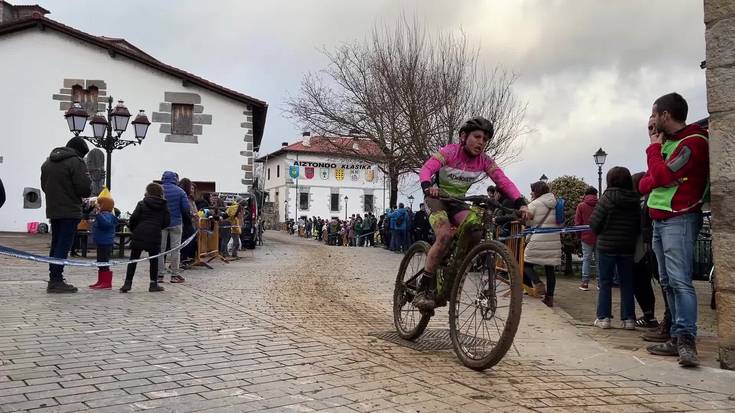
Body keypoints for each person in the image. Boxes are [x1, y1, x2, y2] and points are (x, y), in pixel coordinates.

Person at [414, 117, 527, 311]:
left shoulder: (484, 161)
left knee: (475, 228)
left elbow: (503, 181)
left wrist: (521, 203)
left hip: (458, 201)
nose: (481, 142)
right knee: (445, 235)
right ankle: (423, 287)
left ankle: (453, 268)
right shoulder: (450, 152)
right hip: (437, 198)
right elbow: (427, 168)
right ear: (464, 136)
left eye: (485, 139)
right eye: (477, 137)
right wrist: (427, 185)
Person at [639, 93, 709, 367]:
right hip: (660, 218)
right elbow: (647, 183)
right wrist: (657, 174)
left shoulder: (693, 142)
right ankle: (675, 333)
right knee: (667, 281)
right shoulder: (669, 145)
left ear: (665, 115)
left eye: (654, 115)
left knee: (680, 281)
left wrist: (653, 152)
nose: (652, 121)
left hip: (679, 218)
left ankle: (686, 339)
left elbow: (662, 176)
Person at [590, 167, 641, 330]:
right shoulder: (635, 200)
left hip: (606, 246)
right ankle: (629, 319)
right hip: (627, 246)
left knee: (605, 283)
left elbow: (595, 223)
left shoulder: (606, 198)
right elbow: (638, 224)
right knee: (627, 283)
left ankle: (604, 318)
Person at [40, 137, 92, 293]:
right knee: (64, 245)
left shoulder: (48, 162)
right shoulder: (76, 162)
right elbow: (84, 188)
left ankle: (54, 278)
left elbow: (44, 186)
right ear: (79, 152)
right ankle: (56, 280)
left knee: (56, 243)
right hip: (69, 209)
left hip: (54, 209)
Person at [120, 183, 170, 293]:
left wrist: (134, 229)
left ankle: (127, 283)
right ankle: (153, 284)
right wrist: (158, 226)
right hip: (155, 235)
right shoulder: (164, 205)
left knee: (133, 259)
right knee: (154, 261)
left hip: (140, 233)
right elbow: (167, 221)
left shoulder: (142, 203)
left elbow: (133, 218)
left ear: (148, 192)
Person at [632, 171, 662, 329]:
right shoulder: (651, 200)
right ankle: (651, 316)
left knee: (640, 284)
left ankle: (648, 316)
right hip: (650, 249)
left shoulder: (638, 204)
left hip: (640, 250)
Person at [523, 181, 560, 307]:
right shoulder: (556, 203)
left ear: (537, 191)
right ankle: (549, 298)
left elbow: (527, 222)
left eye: (533, 190)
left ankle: (537, 282)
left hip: (538, 239)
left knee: (525, 263)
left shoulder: (534, 204)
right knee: (550, 269)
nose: (532, 193)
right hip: (554, 239)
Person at [159, 171, 190, 283]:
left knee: (160, 250)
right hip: (176, 222)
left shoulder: (159, 189)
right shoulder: (180, 191)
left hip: (161, 223)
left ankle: (159, 275)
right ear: (175, 179)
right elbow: (186, 208)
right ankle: (174, 275)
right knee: (175, 250)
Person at [89, 192, 118, 289]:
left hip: (106, 242)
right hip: (100, 241)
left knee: (104, 262)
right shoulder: (103, 215)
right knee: (100, 262)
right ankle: (101, 280)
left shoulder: (108, 216)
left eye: (99, 204)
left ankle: (106, 282)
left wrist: (98, 215)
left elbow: (105, 225)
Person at [575, 187, 599, 291]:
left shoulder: (581, 206)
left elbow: (577, 223)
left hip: (585, 236)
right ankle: (600, 283)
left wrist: (579, 235)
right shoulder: (601, 204)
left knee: (586, 259)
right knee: (599, 260)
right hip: (599, 236)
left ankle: (585, 283)